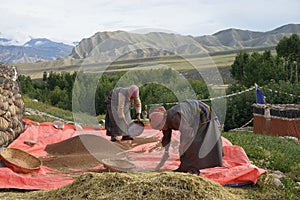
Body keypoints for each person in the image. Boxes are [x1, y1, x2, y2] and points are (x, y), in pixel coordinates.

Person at [149, 100, 223, 175]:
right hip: (191, 119)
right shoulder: (165, 122)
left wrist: (183, 145)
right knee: (185, 146)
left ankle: (193, 169)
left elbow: (189, 134)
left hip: (203, 113)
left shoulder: (175, 118)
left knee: (194, 144)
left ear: (163, 122)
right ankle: (185, 167)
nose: (161, 130)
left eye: (160, 127)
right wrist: (166, 151)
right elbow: (166, 138)